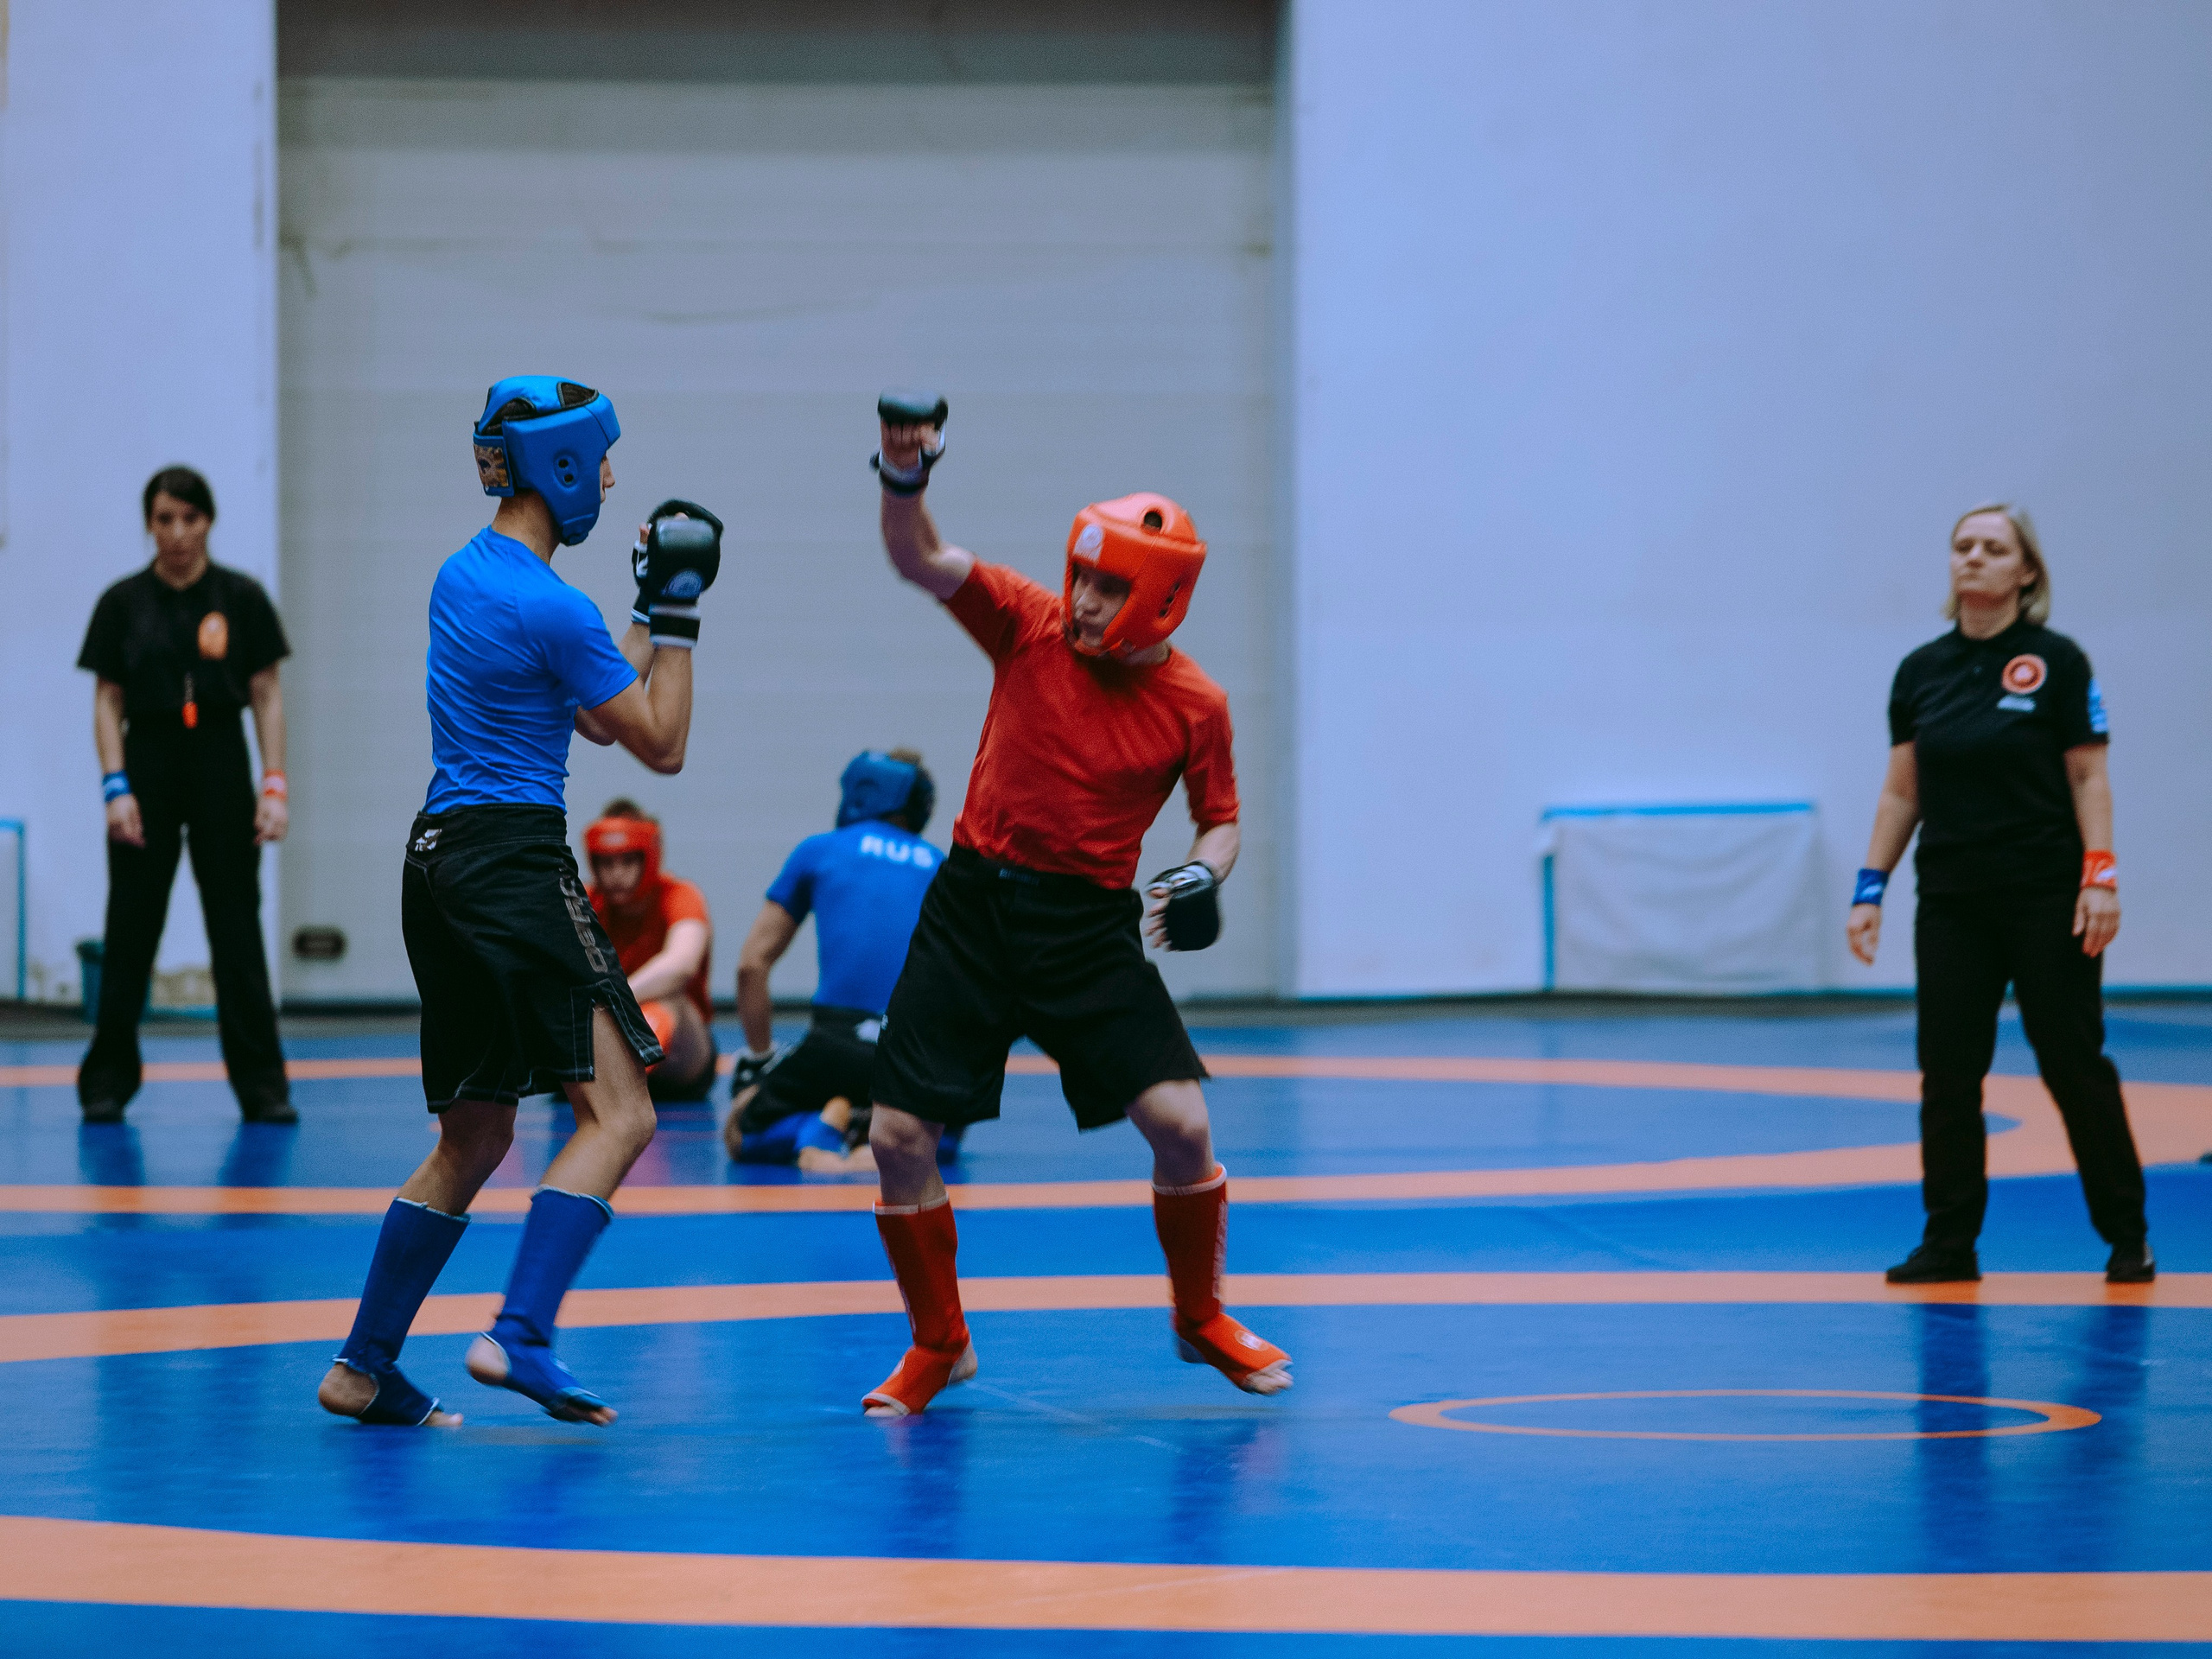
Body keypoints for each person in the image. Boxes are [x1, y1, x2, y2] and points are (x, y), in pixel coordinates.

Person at [855, 389, 1289, 1418]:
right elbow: (920, 557)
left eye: (1107, 587)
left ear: (1161, 598)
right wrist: (905, 474)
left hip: (1085, 927)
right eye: (1081, 578)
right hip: (972, 907)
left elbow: (1221, 822)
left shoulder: (1197, 706)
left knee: (1182, 1125)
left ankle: (1198, 1317)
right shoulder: (1028, 621)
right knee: (897, 1135)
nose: (1084, 601)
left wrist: (1201, 874)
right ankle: (939, 1341)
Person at [317, 377, 721, 1429]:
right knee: (624, 1111)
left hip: (436, 864)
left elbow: (588, 711)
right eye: (602, 461)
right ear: (564, 466)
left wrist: (640, 615)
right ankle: (522, 1334)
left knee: (475, 1135)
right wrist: (679, 614)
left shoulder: (465, 575)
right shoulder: (554, 605)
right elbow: (659, 743)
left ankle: (363, 1365)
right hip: (511, 862)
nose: (612, 480)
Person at [1848, 502, 2151, 1287]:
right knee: (1948, 1073)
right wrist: (1870, 888)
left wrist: (2100, 877)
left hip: (2046, 895)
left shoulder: (2057, 661)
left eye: (1992, 548)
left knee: (2072, 1062)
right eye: (1962, 546)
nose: (1973, 557)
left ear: (2026, 572)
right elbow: (1902, 792)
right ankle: (1950, 1243)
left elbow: (2088, 777)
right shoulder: (1921, 671)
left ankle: (2127, 1235)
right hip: (1953, 900)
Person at [76, 467, 295, 1125]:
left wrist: (274, 785)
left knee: (236, 927)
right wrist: (115, 787)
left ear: (209, 522)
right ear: (149, 524)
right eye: (164, 519)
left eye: (189, 519)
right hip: (147, 762)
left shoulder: (242, 597)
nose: (176, 533)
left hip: (220, 761)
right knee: (131, 926)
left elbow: (266, 695)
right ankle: (107, 1080)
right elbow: (107, 701)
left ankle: (262, 1086)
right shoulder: (121, 603)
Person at [721, 749, 945, 1174]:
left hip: (838, 1045)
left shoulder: (820, 850)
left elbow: (751, 964)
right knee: (936, 1134)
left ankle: (820, 1126)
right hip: (914, 1054)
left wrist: (760, 1059)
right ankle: (874, 1129)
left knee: (740, 1131)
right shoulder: (941, 866)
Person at [583, 798, 717, 1103]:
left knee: (669, 1000)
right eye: (606, 862)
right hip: (600, 1040)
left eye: (628, 861)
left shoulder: (680, 895)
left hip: (679, 1058)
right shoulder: (584, 901)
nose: (616, 874)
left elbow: (681, 964)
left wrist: (610, 999)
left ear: (650, 857)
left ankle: (619, 1072)